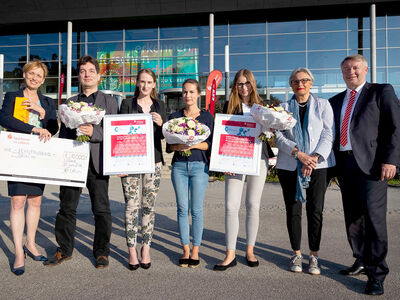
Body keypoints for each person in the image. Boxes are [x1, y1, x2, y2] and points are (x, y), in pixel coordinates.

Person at [329, 54, 400, 295]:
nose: (351, 72)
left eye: (355, 67)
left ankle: (377, 273)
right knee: (353, 218)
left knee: (374, 219)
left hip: (372, 167)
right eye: (346, 69)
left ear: (366, 69)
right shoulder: (335, 101)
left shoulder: (381, 91)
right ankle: (360, 259)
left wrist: (391, 160)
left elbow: (395, 127)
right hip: (345, 165)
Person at [44, 55, 118, 269]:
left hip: (98, 162)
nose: (87, 74)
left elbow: (114, 133)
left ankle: (102, 252)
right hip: (72, 162)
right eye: (83, 71)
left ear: (98, 75)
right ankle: (64, 249)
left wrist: (95, 131)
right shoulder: (69, 103)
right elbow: (65, 135)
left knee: (102, 210)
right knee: (66, 208)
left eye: (91, 71)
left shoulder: (109, 102)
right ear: (79, 75)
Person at [0, 60, 59, 275]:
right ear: (24, 75)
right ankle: (17, 251)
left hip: (39, 156)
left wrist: (41, 113)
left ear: (43, 80)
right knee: (17, 201)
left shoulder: (47, 102)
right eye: (31, 74)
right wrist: (33, 128)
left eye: (39, 76)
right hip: (17, 154)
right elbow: (4, 118)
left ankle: (31, 244)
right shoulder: (12, 97)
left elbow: (54, 128)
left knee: (35, 201)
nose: (34, 78)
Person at [274, 68, 335, 275]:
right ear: (291, 85)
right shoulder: (283, 107)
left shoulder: (323, 105)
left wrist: (314, 158)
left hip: (318, 166)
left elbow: (328, 134)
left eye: (304, 80)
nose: (300, 84)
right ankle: (297, 254)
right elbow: (279, 136)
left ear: (311, 83)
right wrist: (298, 154)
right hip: (291, 164)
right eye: (295, 81)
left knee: (315, 210)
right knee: (293, 210)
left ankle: (314, 255)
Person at [214, 69, 274, 271]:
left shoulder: (263, 105)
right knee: (231, 206)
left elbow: (271, 134)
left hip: (259, 158)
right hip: (235, 159)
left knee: (252, 205)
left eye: (247, 83)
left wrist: (270, 131)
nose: (243, 87)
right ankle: (230, 253)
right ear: (235, 86)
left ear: (253, 84)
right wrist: (224, 162)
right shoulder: (228, 106)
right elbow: (222, 135)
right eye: (239, 84)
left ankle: (250, 250)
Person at [118, 69, 166, 270]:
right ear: (137, 83)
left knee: (148, 206)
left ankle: (146, 248)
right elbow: (118, 132)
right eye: (142, 82)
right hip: (130, 161)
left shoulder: (160, 105)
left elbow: (165, 136)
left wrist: (162, 124)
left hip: (153, 162)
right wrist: (118, 163)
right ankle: (131, 250)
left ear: (154, 84)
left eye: (149, 82)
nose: (145, 85)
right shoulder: (127, 104)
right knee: (131, 206)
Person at [167, 79, 214, 268]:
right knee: (181, 209)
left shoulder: (206, 117)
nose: (188, 95)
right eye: (185, 92)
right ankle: (185, 249)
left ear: (198, 94)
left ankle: (196, 249)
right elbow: (170, 145)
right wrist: (178, 145)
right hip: (179, 166)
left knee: (196, 210)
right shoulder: (176, 116)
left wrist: (192, 143)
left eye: (192, 92)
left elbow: (209, 144)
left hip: (198, 167)